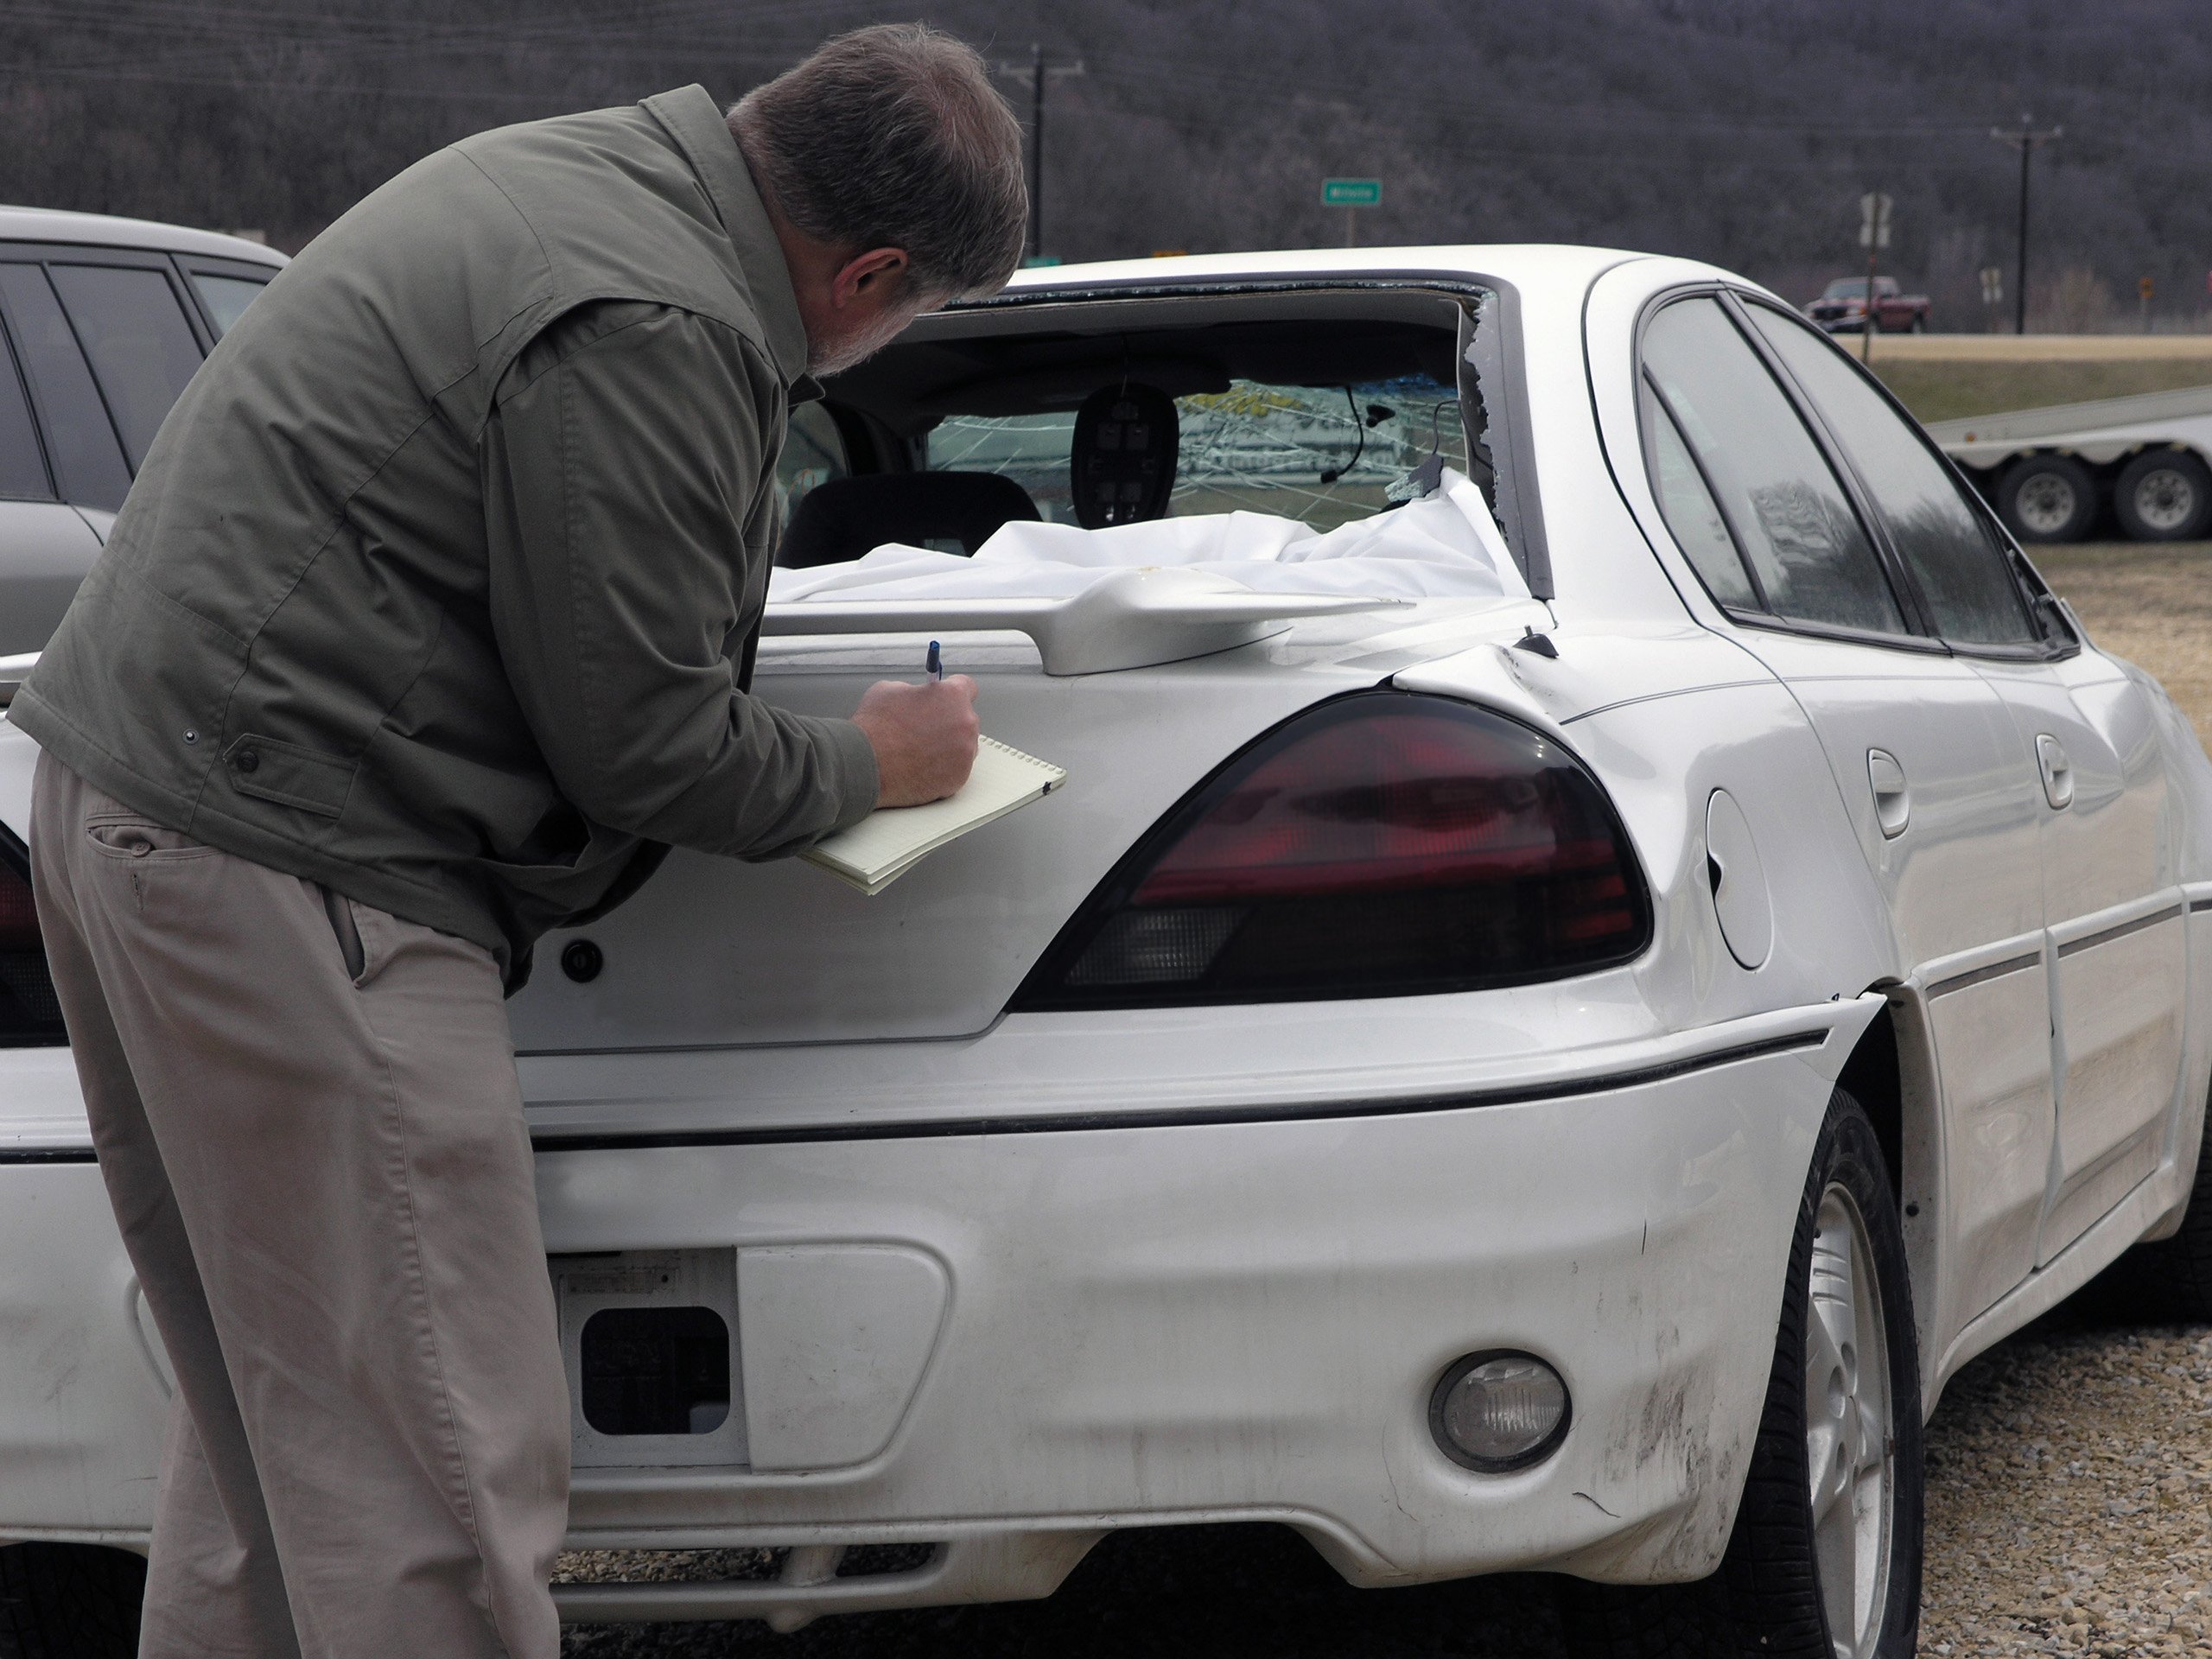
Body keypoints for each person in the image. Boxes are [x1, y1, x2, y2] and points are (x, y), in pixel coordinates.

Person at [10, 24, 1026, 1658]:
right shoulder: (659, 322)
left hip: (140, 805)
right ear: (872, 271)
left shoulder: (573, 175)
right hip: (292, 859)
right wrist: (872, 763)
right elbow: (644, 745)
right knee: (434, 1474)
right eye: (912, 316)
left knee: (286, 1425)